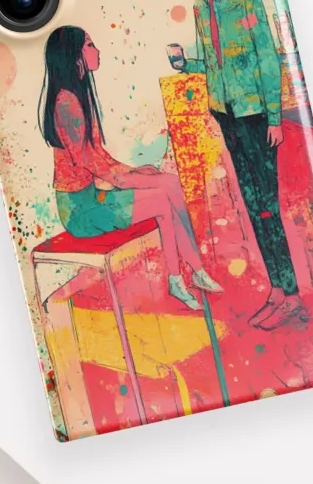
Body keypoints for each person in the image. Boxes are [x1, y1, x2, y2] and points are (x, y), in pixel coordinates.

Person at [168, 0, 305, 330]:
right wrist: (186, 64)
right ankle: (276, 291)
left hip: (255, 116)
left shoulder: (246, 1)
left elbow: (267, 60)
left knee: (268, 206)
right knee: (253, 206)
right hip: (226, 117)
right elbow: (216, 66)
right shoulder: (200, 10)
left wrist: (275, 118)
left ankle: (291, 294)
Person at [38, 25, 222, 311]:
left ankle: (186, 274)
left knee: (166, 184)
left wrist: (136, 172)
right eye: (90, 45)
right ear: (73, 55)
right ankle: (189, 272)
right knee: (166, 190)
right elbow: (88, 162)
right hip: (81, 210)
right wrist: (130, 179)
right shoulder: (66, 102)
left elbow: (99, 155)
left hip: (95, 196)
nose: (97, 51)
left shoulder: (77, 95)